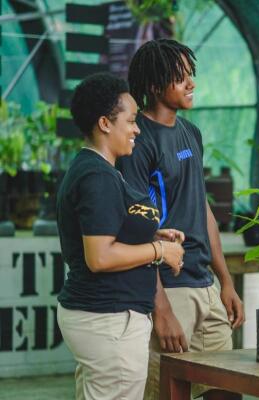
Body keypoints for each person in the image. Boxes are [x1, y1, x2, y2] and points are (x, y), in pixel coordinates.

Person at [118, 39, 245, 400]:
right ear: (155, 85)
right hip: (169, 289)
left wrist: (226, 282)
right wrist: (161, 309)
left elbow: (201, 208)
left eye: (191, 75)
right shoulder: (136, 143)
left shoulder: (191, 132)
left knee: (226, 392)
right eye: (180, 77)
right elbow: (134, 230)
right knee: (169, 393)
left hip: (206, 287)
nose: (191, 83)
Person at [56, 72, 185, 400]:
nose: (137, 129)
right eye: (130, 121)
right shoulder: (97, 176)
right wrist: (159, 250)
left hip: (106, 319)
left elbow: (109, 226)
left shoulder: (98, 169)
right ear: (104, 123)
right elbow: (99, 257)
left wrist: (149, 229)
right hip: (109, 320)